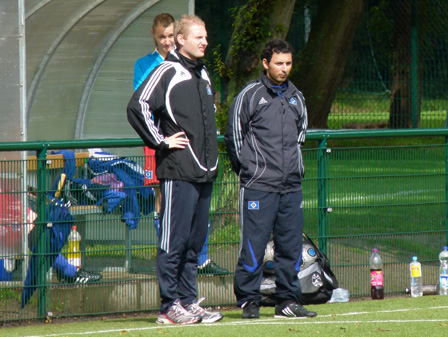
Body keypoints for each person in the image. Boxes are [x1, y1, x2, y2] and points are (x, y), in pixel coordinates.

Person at [127, 15, 223, 324]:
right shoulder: (166, 70)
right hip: (178, 172)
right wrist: (161, 141)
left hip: (205, 172)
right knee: (173, 240)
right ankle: (169, 306)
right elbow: (137, 105)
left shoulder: (204, 74)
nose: (204, 41)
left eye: (205, 36)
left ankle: (188, 301)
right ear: (180, 39)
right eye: (198, 36)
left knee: (195, 242)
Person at [224, 38, 317, 319]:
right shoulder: (250, 95)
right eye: (279, 63)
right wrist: (249, 171)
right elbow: (234, 136)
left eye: (288, 63)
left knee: (290, 248)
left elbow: (301, 136)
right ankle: (248, 301)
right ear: (266, 64)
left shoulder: (297, 97)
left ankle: (287, 302)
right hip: (258, 186)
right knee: (253, 245)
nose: (284, 68)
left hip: (291, 187)